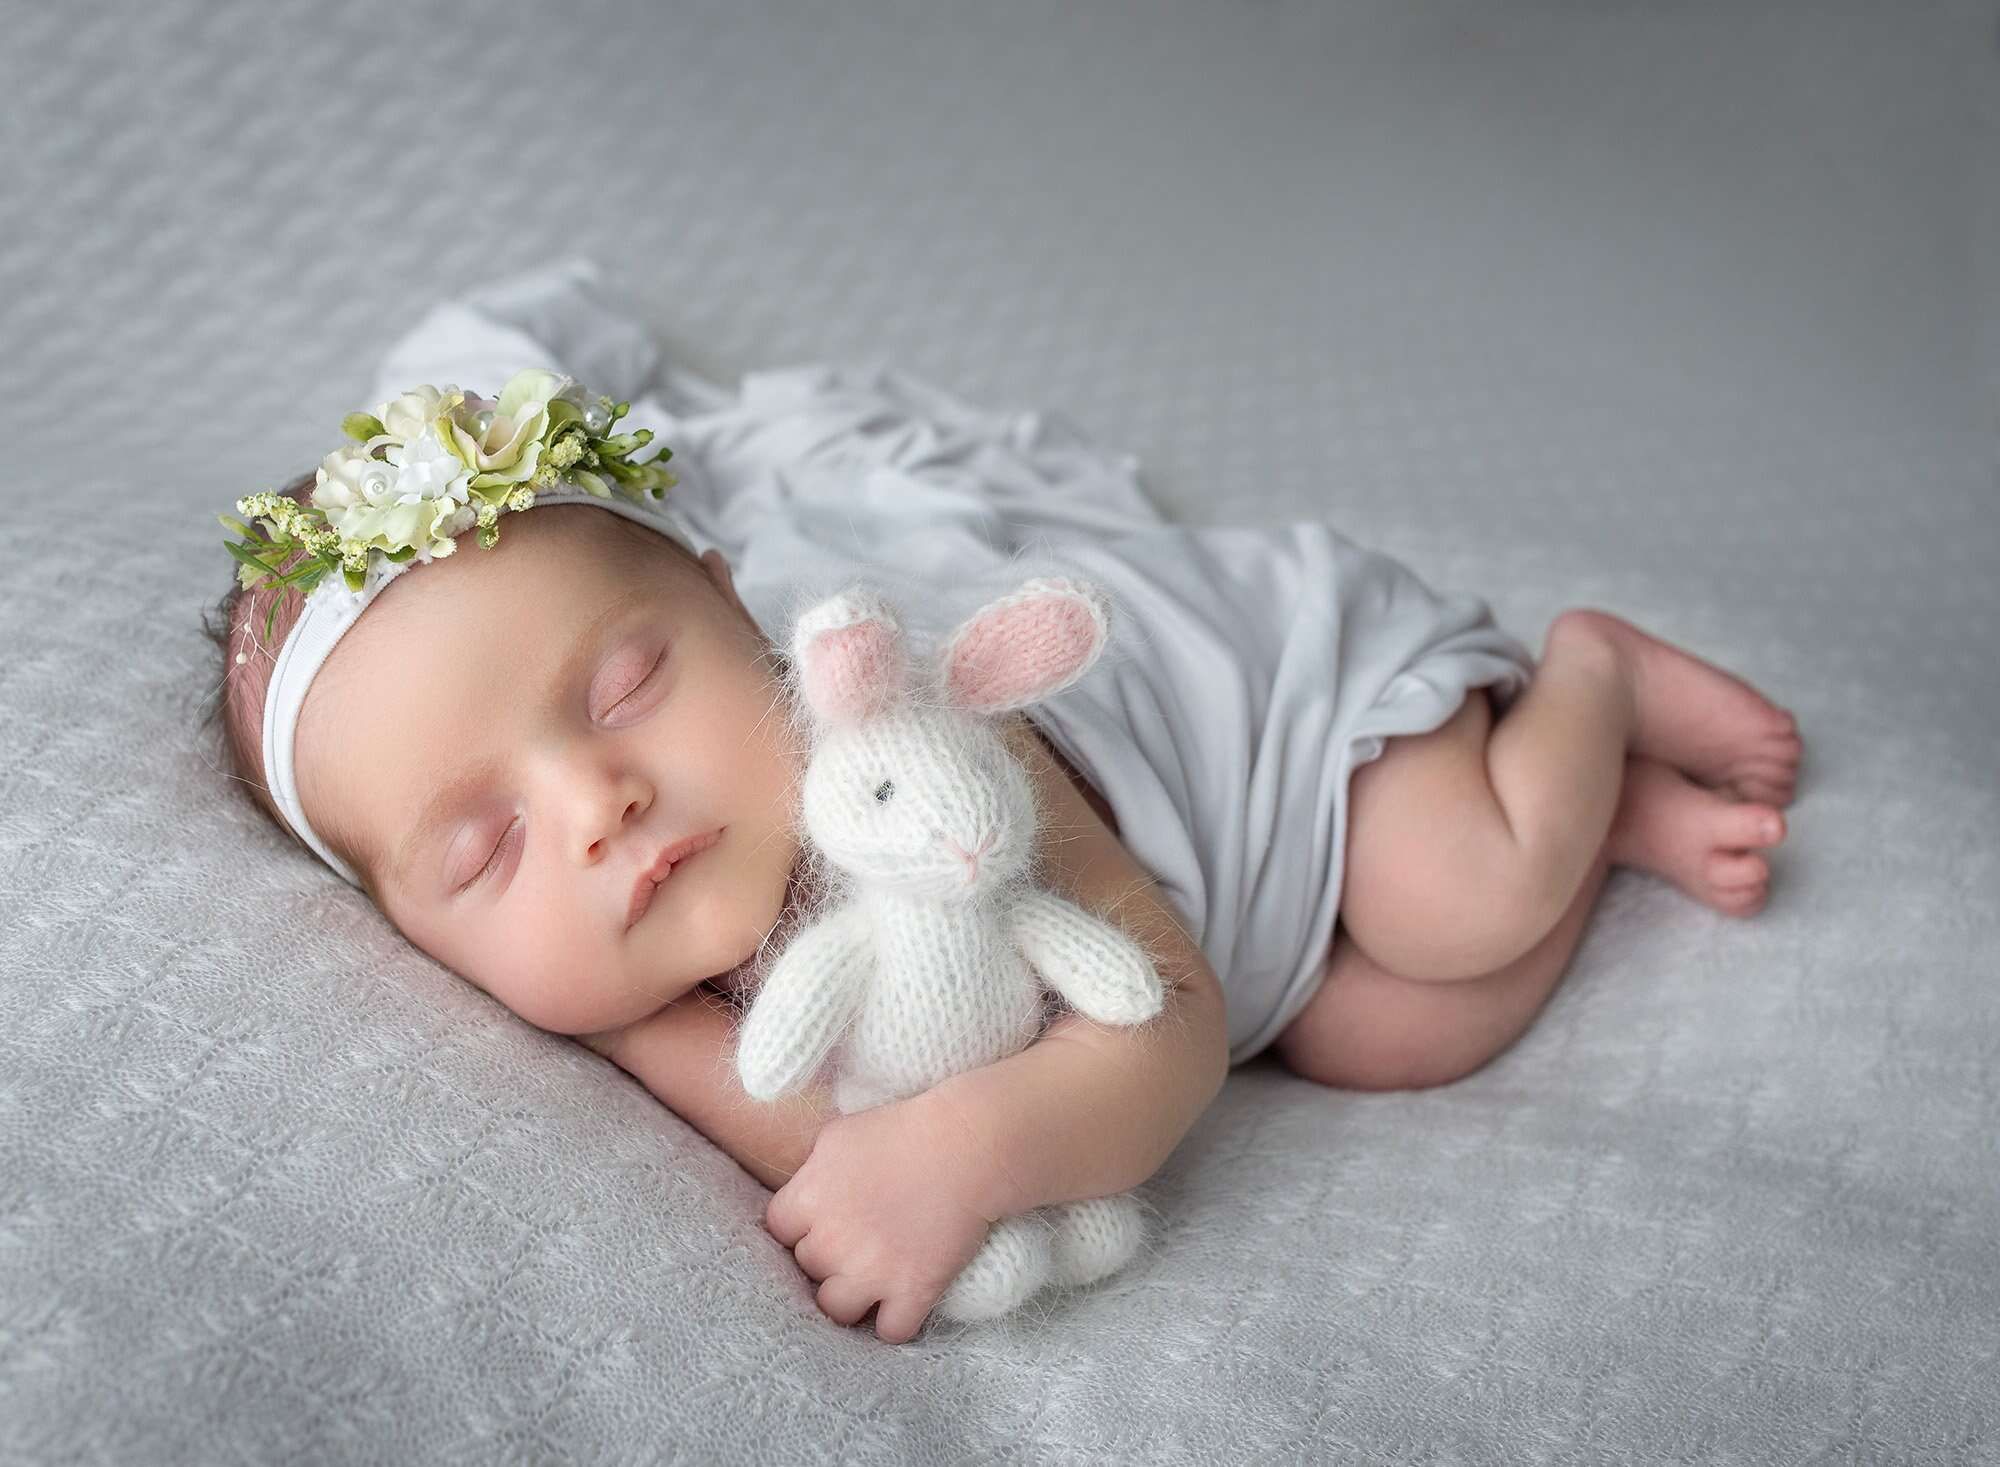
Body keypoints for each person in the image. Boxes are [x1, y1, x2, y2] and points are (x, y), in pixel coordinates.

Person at [198, 267, 1802, 1346]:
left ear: (733, 604)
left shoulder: (919, 764)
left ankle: (1586, 684)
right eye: (485, 852)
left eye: (624, 688)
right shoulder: (609, 983)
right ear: (413, 934)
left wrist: (970, 1150)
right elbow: (827, 1141)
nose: (599, 803)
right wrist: (630, 1031)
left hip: (1275, 716)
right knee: (1400, 1037)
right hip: (1256, 932)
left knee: (1459, 901)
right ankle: (1606, 818)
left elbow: (1169, 1022)